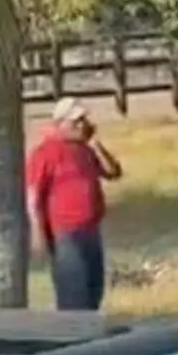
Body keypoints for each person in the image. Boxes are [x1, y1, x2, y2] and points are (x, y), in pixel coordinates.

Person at [25, 98, 123, 311]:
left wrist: (97, 144)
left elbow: (113, 172)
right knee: (73, 294)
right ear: (61, 124)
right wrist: (37, 233)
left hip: (91, 229)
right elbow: (33, 197)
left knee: (93, 290)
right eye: (76, 121)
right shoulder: (45, 152)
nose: (82, 125)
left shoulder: (84, 150)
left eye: (83, 120)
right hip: (65, 233)